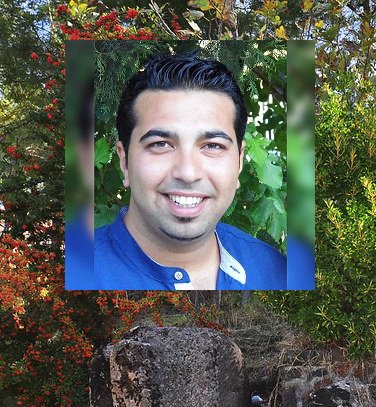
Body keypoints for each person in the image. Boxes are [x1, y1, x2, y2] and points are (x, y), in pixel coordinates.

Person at [94, 52, 286, 290]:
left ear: (239, 162)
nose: (187, 173)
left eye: (213, 146)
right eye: (160, 144)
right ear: (124, 161)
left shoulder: (278, 272)